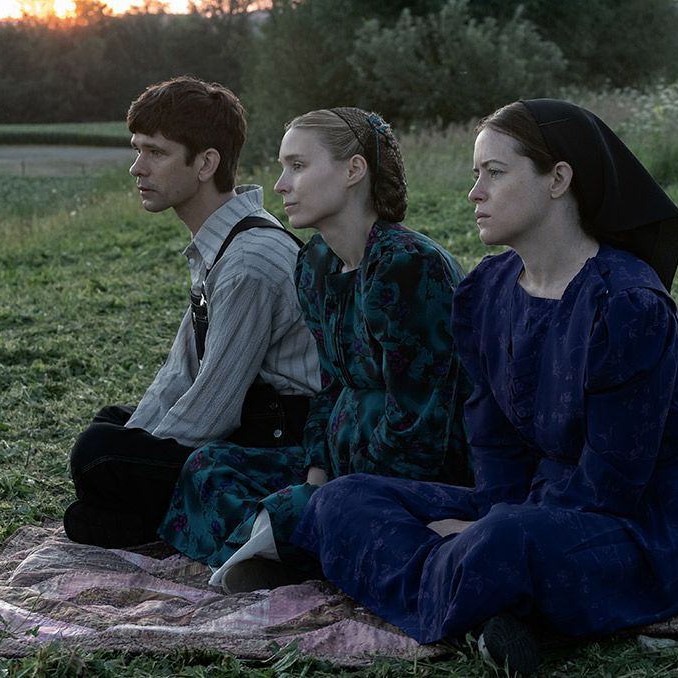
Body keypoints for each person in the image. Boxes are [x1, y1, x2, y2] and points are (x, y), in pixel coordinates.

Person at [292, 99, 678, 674]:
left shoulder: (626, 304)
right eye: (475, 175)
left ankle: (466, 588)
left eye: (495, 173)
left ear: (558, 178)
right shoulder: (487, 289)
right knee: (342, 499)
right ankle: (483, 604)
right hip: (528, 502)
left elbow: (613, 480)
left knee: (508, 539)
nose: (474, 193)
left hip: (644, 524)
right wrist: (489, 513)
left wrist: (487, 527)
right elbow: (493, 441)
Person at [158, 107, 472, 593]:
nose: (281, 185)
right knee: (208, 469)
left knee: (314, 509)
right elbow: (330, 389)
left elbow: (421, 422)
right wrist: (317, 474)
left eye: (298, 166)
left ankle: (299, 544)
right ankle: (298, 547)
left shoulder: (408, 267)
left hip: (413, 473)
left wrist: (333, 495)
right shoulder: (316, 263)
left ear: (353, 171)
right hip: (339, 464)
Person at [64, 76, 320, 548]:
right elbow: (181, 372)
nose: (137, 168)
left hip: (275, 445)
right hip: (243, 421)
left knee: (97, 455)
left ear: (205, 163)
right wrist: (139, 439)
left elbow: (213, 407)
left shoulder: (250, 261)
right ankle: (148, 514)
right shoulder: (221, 243)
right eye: (137, 149)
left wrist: (137, 457)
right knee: (109, 427)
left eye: (156, 153)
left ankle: (167, 515)